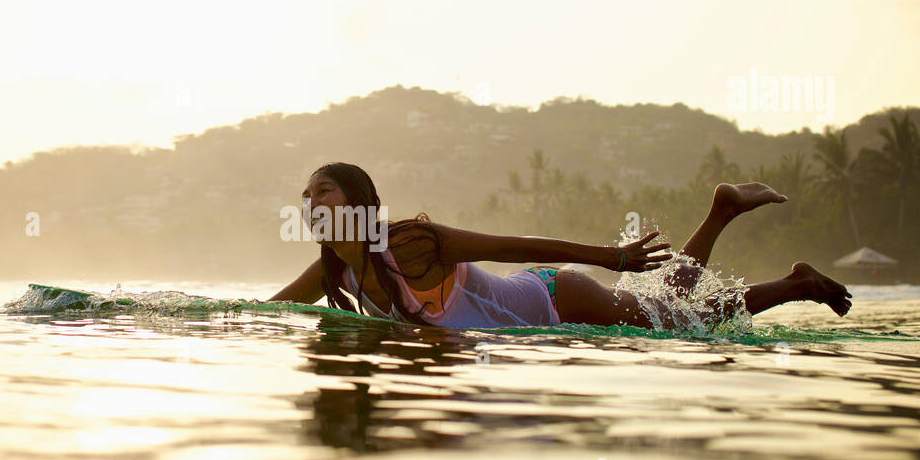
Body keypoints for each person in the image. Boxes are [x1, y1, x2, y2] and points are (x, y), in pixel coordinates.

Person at [267, 162, 852, 329]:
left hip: (554, 298)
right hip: (543, 302)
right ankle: (722, 210)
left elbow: (513, 246)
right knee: (666, 310)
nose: (311, 202)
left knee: (683, 323)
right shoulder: (334, 271)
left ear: (361, 205)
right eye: (306, 194)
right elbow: (265, 313)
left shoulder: (409, 245)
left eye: (325, 191)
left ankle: (800, 282)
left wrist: (610, 257)